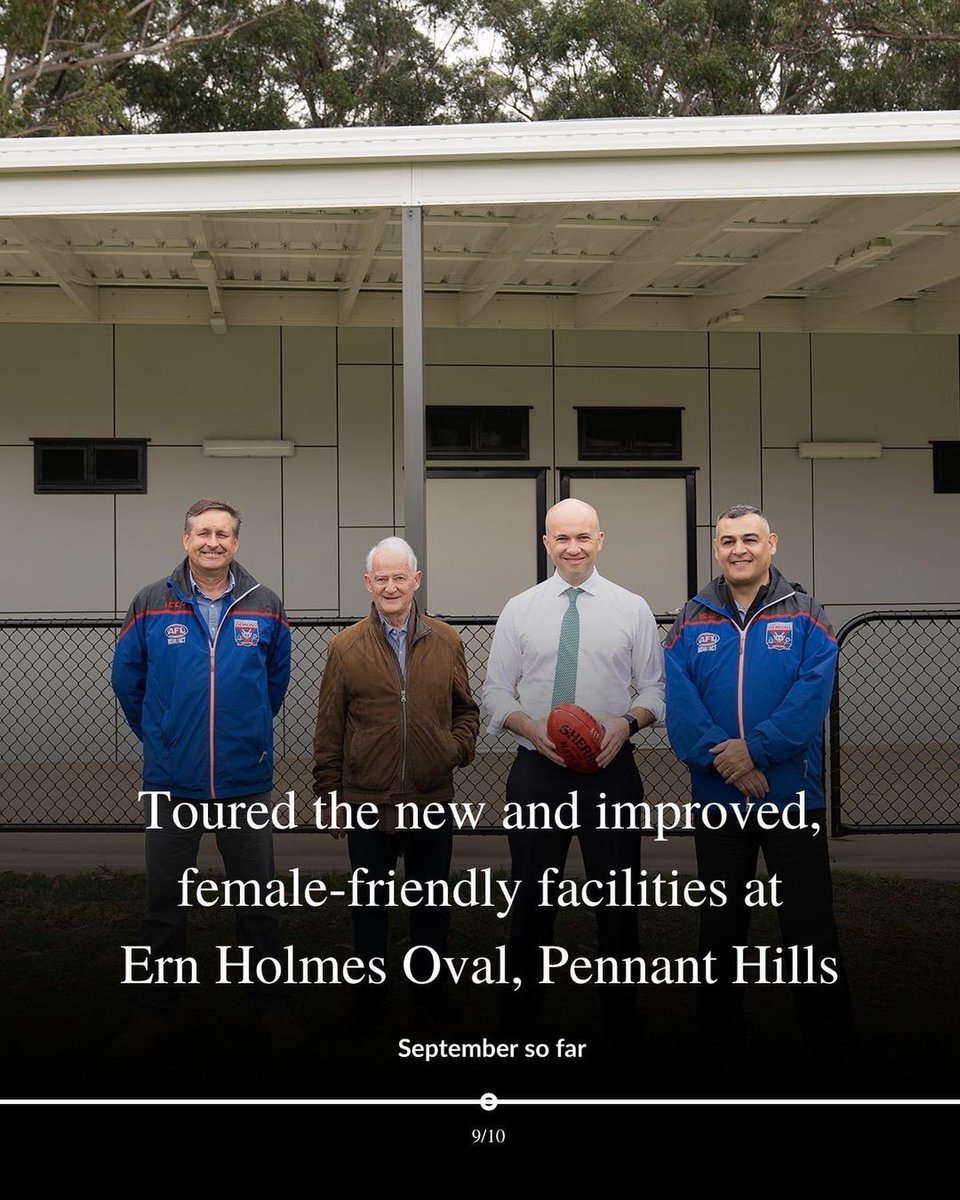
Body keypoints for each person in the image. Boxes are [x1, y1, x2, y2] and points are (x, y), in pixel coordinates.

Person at [664, 503, 855, 1067]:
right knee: (721, 926)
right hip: (720, 799)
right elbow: (680, 703)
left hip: (792, 796)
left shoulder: (807, 613)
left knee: (808, 925)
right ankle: (717, 1041)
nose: (739, 549)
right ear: (716, 549)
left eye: (750, 539)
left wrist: (758, 751)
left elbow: (811, 696)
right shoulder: (691, 617)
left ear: (772, 544)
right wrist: (730, 762)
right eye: (728, 541)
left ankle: (830, 1044)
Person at [111, 497, 301, 1052]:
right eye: (202, 533)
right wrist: (164, 735)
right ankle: (154, 1013)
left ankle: (271, 1010)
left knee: (258, 905)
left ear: (235, 543)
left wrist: (244, 734)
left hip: (245, 782)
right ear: (186, 539)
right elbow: (127, 679)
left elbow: (274, 683)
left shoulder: (265, 603)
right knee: (164, 908)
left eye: (222, 534)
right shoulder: (150, 602)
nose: (212, 542)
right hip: (172, 783)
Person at [483, 498, 665, 1046]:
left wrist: (627, 724)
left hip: (610, 770)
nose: (573, 547)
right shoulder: (520, 609)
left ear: (600, 540)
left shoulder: (632, 608)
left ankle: (622, 1021)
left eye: (583, 536)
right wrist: (528, 725)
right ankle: (519, 1022)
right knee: (531, 900)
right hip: (538, 772)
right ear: (547, 544)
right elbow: (495, 690)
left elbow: (655, 689)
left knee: (618, 901)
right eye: (562, 538)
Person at [312, 536, 479, 1028]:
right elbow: (330, 728)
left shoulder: (447, 641)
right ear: (368, 583)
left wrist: (453, 750)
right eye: (381, 578)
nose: (390, 587)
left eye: (399, 577)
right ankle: (368, 999)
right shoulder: (344, 648)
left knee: (431, 906)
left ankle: (430, 995)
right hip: (367, 800)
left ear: (416, 581)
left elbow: (466, 710)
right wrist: (330, 794)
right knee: (370, 908)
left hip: (430, 797)